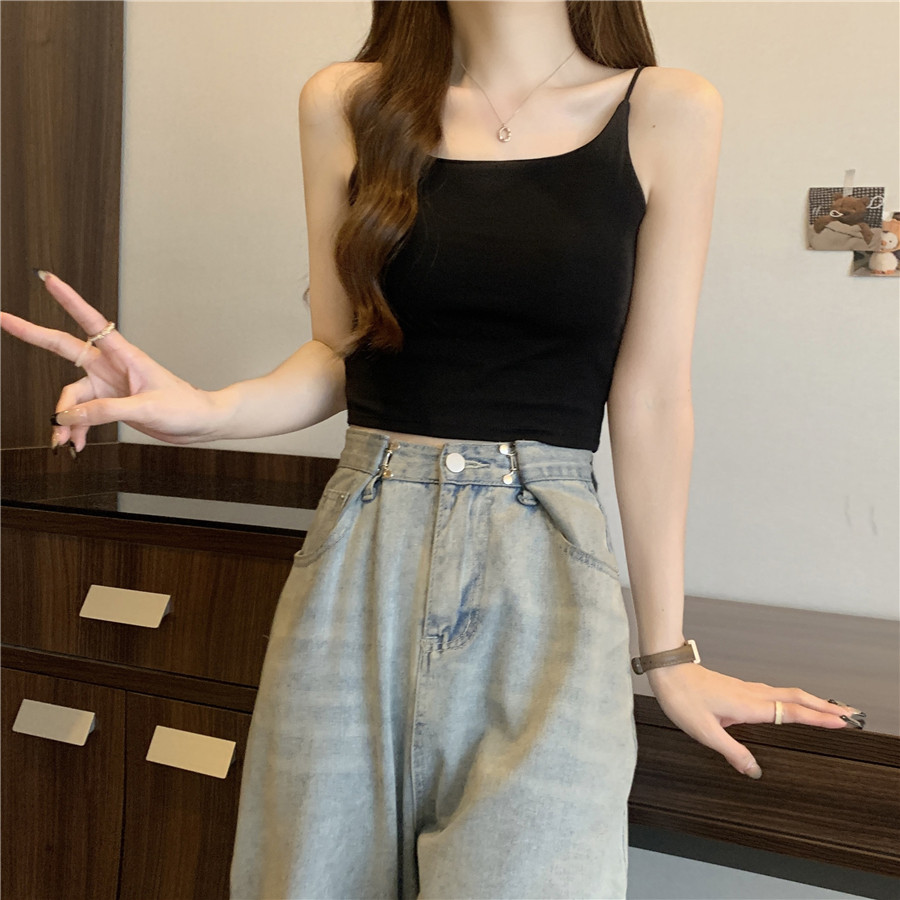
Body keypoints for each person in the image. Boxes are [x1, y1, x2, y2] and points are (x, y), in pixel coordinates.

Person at [2, 2, 867, 898]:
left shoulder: (666, 110)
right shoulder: (346, 104)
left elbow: (650, 398)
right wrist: (204, 410)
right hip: (357, 565)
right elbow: (341, 351)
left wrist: (667, 656)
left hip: (546, 586)